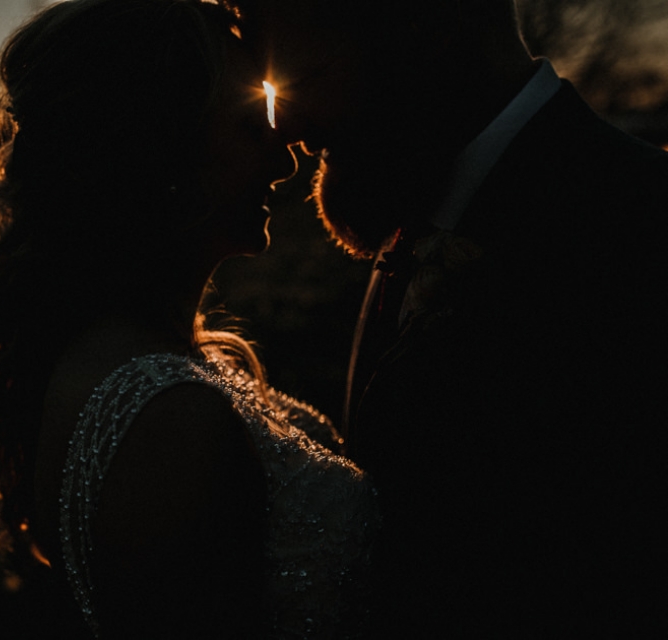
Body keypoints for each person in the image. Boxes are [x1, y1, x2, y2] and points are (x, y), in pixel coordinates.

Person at [0, 0, 378, 637]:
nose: (286, 161)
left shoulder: (116, 356)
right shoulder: (168, 419)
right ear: (161, 153)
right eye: (252, 127)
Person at [224, 0, 668, 635]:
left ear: (430, 26)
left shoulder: (640, 223)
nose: (283, 125)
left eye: (309, 73)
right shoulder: (417, 215)